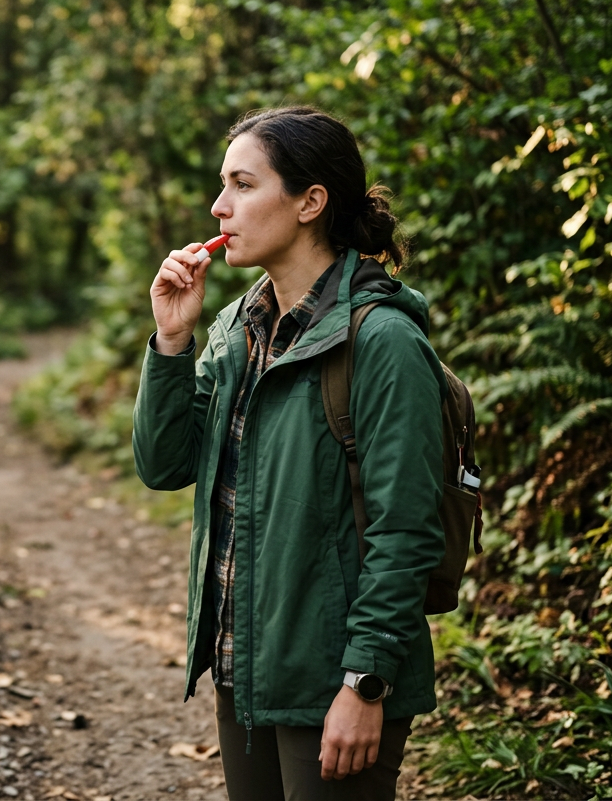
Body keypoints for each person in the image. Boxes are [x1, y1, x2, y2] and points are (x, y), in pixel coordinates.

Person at [131, 106, 447, 801]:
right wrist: (172, 343)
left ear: (310, 202)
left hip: (334, 679)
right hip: (245, 667)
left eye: (243, 185)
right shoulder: (238, 326)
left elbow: (406, 532)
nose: (219, 207)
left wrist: (364, 683)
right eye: (223, 185)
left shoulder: (384, 343)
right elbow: (164, 465)